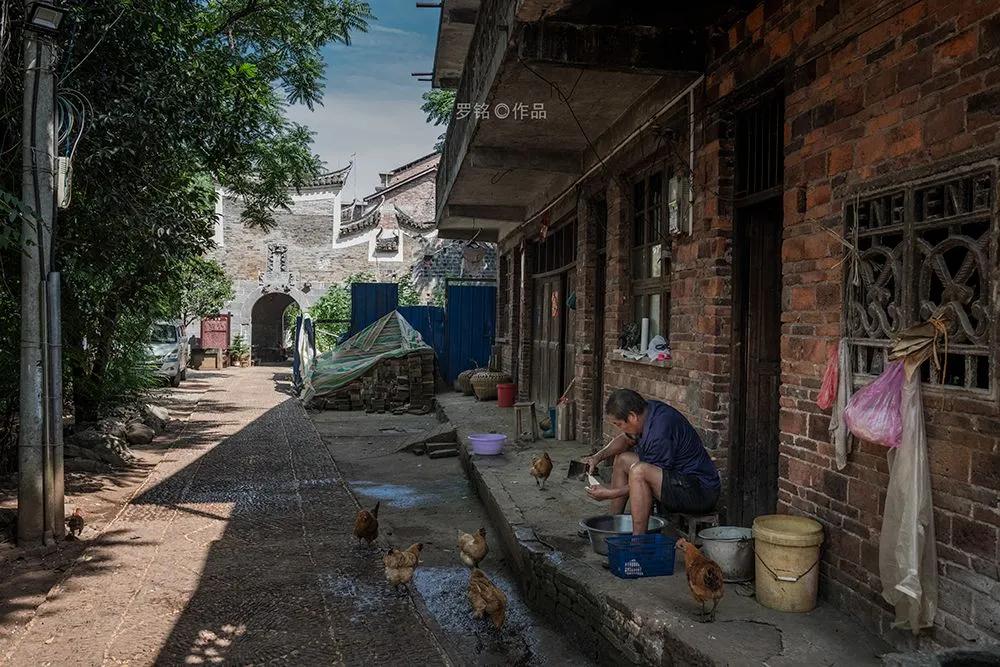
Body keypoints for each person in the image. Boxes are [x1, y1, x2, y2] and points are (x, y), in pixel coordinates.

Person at [585, 389, 720, 535]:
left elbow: (642, 481)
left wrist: (610, 493)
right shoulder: (646, 411)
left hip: (699, 492)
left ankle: (638, 543)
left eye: (619, 424)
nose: (619, 428)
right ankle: (612, 523)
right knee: (623, 459)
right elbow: (625, 439)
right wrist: (597, 457)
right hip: (677, 478)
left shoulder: (660, 430)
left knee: (639, 472)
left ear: (632, 416)